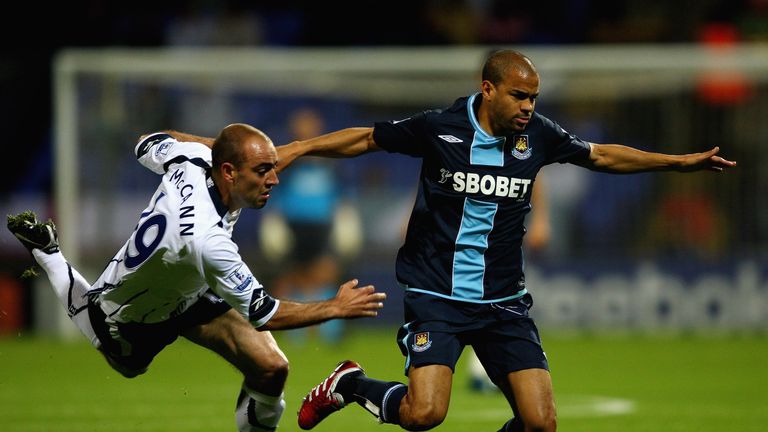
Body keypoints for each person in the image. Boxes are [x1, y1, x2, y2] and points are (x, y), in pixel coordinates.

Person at [276, 50, 737, 432]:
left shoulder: (538, 135)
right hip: (437, 292)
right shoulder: (440, 127)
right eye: (519, 96)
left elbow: (601, 156)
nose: (528, 107)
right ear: (488, 88)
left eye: (534, 98)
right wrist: (297, 149)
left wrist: (675, 163)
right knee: (425, 413)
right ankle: (352, 384)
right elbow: (366, 139)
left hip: (503, 300)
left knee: (541, 424)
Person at [6, 124, 386, 432]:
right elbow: (267, 314)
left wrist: (299, 147)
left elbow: (146, 142)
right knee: (124, 363)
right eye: (263, 171)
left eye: (271, 167)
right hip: (134, 313)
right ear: (229, 172)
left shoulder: (193, 157)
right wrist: (336, 307)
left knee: (272, 368)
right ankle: (49, 254)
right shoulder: (206, 239)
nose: (275, 179)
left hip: (193, 288)